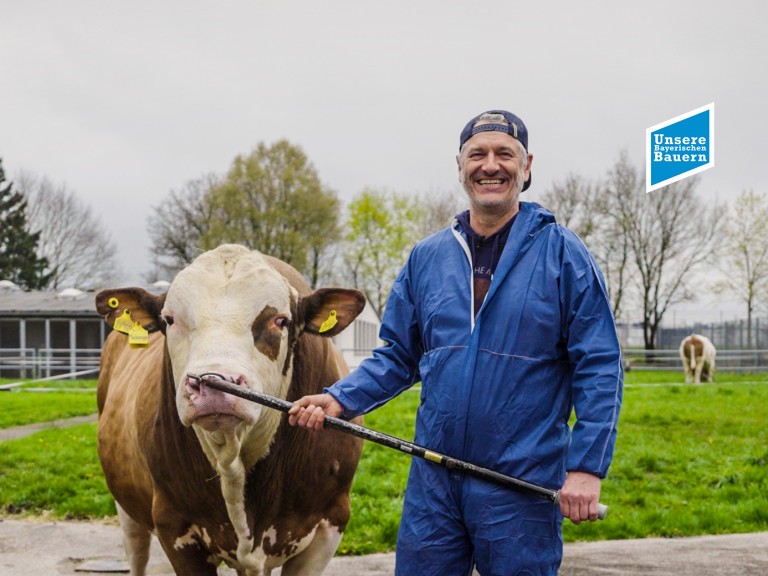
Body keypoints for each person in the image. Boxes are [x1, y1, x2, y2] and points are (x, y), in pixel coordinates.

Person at [288, 110, 623, 575]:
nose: (491, 165)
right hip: (434, 481)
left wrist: (587, 467)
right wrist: (338, 399)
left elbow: (601, 365)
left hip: (520, 484)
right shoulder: (427, 259)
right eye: (477, 154)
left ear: (527, 166)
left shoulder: (565, 255)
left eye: (505, 153)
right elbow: (399, 357)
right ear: (460, 165)